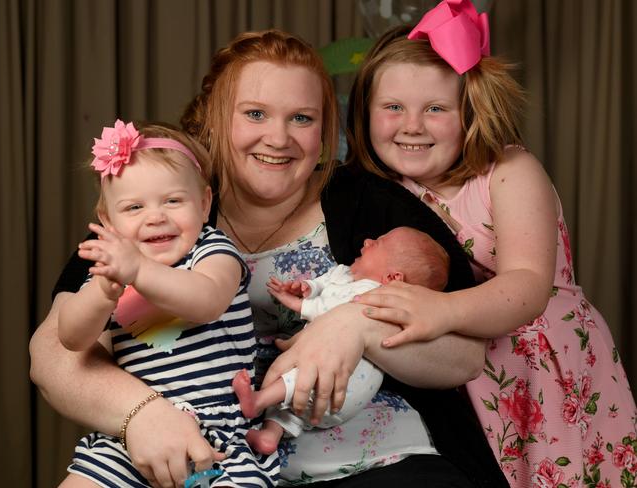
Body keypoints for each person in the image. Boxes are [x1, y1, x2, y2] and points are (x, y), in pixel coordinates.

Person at [30, 29, 510, 488]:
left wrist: (357, 325)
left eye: (301, 118)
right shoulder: (157, 211)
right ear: (215, 118)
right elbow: (53, 356)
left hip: (374, 461)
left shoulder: (370, 205)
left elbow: (463, 357)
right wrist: (144, 414)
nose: (279, 138)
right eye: (255, 114)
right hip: (203, 456)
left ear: (324, 129)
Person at [345, 1, 637, 486]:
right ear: (365, 112)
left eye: (436, 109)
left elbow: (527, 283)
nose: (412, 125)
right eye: (393, 107)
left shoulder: (507, 173)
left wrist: (441, 311)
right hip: (469, 375)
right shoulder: (381, 193)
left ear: (471, 112)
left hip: (545, 364)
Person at [55, 120, 279, 487]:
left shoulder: (212, 251)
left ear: (205, 204)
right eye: (134, 208)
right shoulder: (112, 273)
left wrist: (138, 269)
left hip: (218, 438)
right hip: (137, 440)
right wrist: (101, 294)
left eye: (173, 201)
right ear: (107, 221)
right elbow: (71, 339)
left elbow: (205, 302)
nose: (155, 216)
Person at [233, 227, 449, 455]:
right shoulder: (346, 274)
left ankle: (257, 401)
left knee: (301, 378)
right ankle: (269, 436)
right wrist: (308, 288)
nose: (367, 240)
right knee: (292, 403)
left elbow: (335, 314)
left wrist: (299, 305)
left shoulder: (376, 295)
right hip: (320, 388)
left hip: (345, 384)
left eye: (378, 243)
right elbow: (325, 283)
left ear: (392, 278)